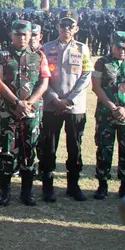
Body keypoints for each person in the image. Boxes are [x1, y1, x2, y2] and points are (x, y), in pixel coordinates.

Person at [0, 20, 50, 206]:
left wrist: (29, 103)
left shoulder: (39, 56)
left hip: (31, 112)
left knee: (28, 151)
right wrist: (16, 102)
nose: (22, 38)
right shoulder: (1, 55)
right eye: (18, 34)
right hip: (8, 111)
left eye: (26, 35)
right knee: (7, 151)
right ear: (11, 34)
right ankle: (5, 192)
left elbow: (44, 82)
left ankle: (27, 192)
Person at [40, 11, 92, 202]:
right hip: (51, 106)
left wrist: (70, 100)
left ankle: (73, 185)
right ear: (57, 27)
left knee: (75, 147)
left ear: (76, 28)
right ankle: (47, 186)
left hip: (75, 107)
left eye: (70, 26)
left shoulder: (82, 49)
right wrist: (55, 99)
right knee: (49, 147)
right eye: (63, 25)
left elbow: (86, 76)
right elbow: (43, 77)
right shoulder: (46, 48)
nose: (66, 29)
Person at [92, 31, 125, 199]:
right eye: (118, 46)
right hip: (106, 115)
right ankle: (102, 184)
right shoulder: (102, 63)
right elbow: (96, 87)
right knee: (104, 149)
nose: (122, 50)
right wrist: (113, 107)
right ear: (112, 44)